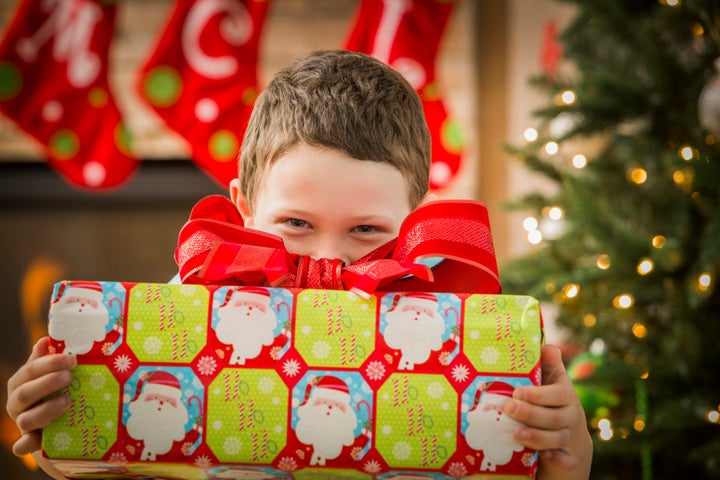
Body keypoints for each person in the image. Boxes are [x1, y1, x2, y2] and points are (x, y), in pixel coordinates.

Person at [6, 50, 592, 480]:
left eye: (365, 230)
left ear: (413, 223)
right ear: (243, 209)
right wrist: (56, 430)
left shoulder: (455, 328)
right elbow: (106, 457)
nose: (328, 260)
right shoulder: (188, 301)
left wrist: (564, 459)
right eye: (295, 224)